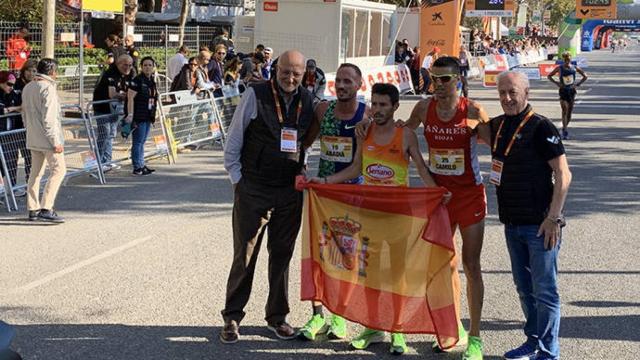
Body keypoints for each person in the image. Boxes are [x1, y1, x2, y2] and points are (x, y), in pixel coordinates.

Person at [310, 83, 441, 355]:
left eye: (384, 105)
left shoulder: (406, 136)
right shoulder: (364, 131)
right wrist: (324, 181)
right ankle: (372, 328)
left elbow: (421, 167)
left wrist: (439, 193)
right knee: (370, 275)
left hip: (398, 217)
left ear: (395, 107)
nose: (379, 110)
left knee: (396, 276)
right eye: (375, 104)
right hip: (369, 216)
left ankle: (397, 330)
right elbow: (356, 168)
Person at [392, 56, 490, 360]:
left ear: (458, 80)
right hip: (440, 197)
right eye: (434, 79)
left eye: (445, 79)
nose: (438, 85)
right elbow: (402, 136)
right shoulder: (423, 108)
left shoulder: (472, 110)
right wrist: (375, 126)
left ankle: (475, 337)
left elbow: (500, 145)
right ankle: (451, 327)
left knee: (471, 265)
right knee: (441, 264)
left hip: (469, 196)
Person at [220, 50, 316, 344]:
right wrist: (238, 181)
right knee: (245, 255)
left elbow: (304, 141)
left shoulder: (309, 100)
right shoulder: (256, 94)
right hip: (254, 187)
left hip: (289, 190)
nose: (290, 78)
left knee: (282, 256)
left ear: (303, 75)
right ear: (276, 69)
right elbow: (234, 139)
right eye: (285, 71)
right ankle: (233, 316)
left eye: (296, 74)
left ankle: (277, 317)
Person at [490, 71, 571, 360]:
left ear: (527, 93)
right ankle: (533, 340)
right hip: (512, 224)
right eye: (502, 93)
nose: (507, 98)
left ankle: (549, 352)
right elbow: (460, 127)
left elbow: (563, 174)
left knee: (545, 291)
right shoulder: (499, 126)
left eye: (513, 92)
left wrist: (554, 218)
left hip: (540, 227)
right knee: (524, 289)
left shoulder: (540, 127)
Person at [297, 63, 370, 342]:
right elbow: (306, 142)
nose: (342, 85)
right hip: (322, 196)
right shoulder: (323, 111)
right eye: (338, 80)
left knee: (346, 257)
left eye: (348, 81)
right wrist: (299, 167)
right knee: (317, 255)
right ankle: (317, 314)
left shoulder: (367, 115)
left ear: (359, 84)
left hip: (352, 195)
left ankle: (339, 316)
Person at [22, 58, 66, 223]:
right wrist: (56, 141)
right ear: (52, 71)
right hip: (48, 139)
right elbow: (49, 119)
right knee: (59, 170)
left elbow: (24, 114)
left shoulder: (28, 87)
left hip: (33, 136)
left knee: (35, 173)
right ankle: (47, 207)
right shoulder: (48, 88)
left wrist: (30, 131)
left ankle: (32, 208)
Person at [92, 54, 134, 170]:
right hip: (102, 108)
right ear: (118, 64)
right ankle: (97, 162)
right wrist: (124, 95)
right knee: (104, 133)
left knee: (111, 134)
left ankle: (107, 161)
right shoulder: (110, 74)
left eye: (130, 65)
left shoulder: (128, 74)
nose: (128, 68)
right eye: (125, 65)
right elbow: (112, 94)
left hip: (114, 108)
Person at [0, 71, 31, 197]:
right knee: (3, 163)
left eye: (13, 85)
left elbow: (22, 105)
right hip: (2, 131)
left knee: (11, 161)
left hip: (10, 132)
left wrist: (11, 109)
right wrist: (8, 109)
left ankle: (10, 187)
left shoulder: (12, 93)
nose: (11, 87)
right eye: (8, 84)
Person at [126, 57, 158, 176]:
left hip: (148, 115)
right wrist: (130, 114)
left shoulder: (151, 81)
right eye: (145, 65)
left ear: (153, 67)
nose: (147, 67)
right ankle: (137, 167)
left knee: (142, 141)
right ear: (141, 67)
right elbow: (130, 98)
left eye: (150, 65)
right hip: (138, 115)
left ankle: (141, 164)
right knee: (138, 142)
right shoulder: (137, 80)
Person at [547, 52, 587, 140]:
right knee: (564, 110)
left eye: (568, 58)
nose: (567, 60)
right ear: (563, 59)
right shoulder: (559, 68)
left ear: (571, 59)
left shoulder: (574, 67)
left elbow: (585, 76)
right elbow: (549, 76)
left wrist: (577, 84)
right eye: (565, 59)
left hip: (571, 91)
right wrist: (557, 83)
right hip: (563, 91)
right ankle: (565, 131)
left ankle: (564, 127)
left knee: (569, 112)